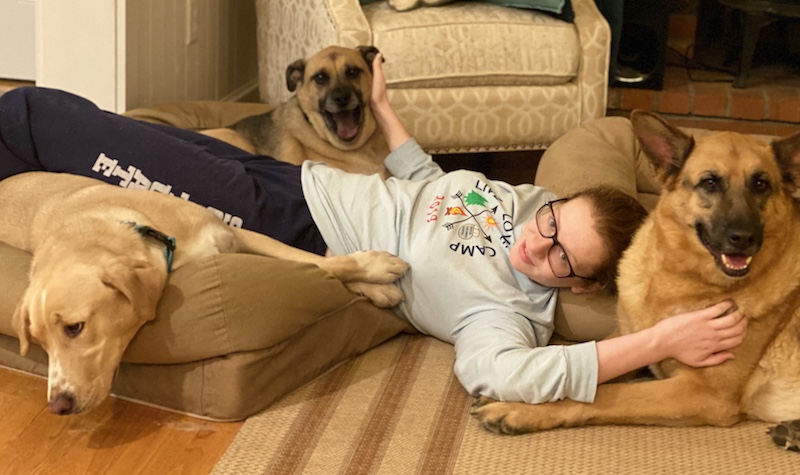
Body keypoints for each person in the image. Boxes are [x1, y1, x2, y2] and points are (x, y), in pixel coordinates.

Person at [0, 54, 747, 406]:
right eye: (552, 222)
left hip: (282, 221)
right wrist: (384, 108)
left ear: (578, 284)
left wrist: (657, 341)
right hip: (291, 177)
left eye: (558, 259)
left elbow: (506, 376)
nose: (536, 244)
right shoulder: (524, 206)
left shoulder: (504, 311)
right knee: (95, 133)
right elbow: (426, 180)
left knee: (41, 118)